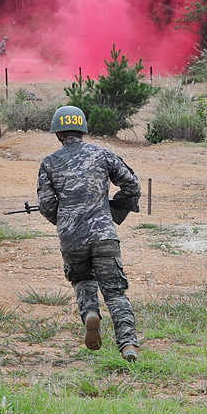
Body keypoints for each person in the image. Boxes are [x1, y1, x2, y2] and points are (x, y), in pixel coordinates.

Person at [37, 106, 141, 362]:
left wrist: (64, 221)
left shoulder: (49, 163)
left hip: (72, 239)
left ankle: (90, 314)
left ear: (58, 134)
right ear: (82, 129)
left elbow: (46, 205)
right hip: (104, 235)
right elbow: (132, 185)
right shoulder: (103, 155)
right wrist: (113, 209)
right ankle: (128, 344)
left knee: (82, 280)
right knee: (115, 293)